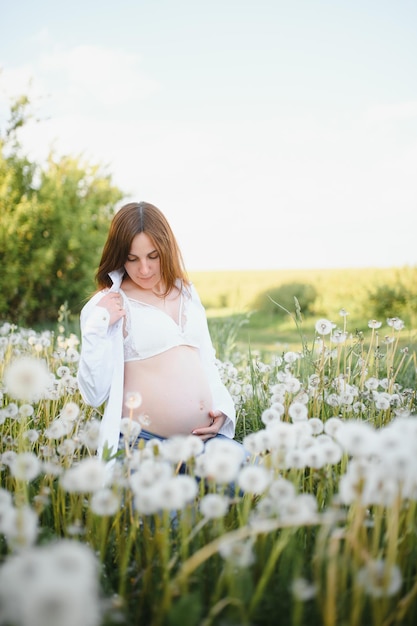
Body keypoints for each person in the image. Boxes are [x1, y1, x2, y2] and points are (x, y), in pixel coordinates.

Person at [77, 201, 238, 462]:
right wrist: (98, 326)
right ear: (119, 257)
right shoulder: (108, 305)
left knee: (256, 481)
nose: (144, 269)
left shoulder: (186, 291)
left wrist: (222, 408)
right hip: (141, 445)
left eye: (153, 256)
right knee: (164, 503)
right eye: (132, 259)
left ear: (166, 249)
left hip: (203, 442)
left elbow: (206, 358)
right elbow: (93, 394)